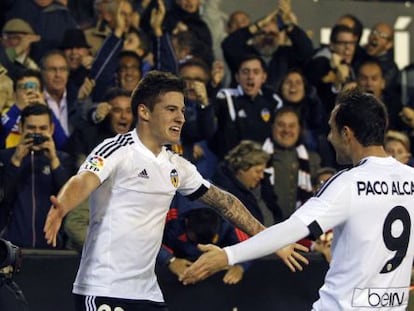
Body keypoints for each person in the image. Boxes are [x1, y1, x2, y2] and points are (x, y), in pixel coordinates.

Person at [43, 70, 307, 311]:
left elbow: (225, 203)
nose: (181, 117)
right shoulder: (117, 149)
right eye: (171, 109)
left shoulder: (177, 166)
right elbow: (84, 180)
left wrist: (272, 239)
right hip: (104, 289)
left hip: (148, 294)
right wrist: (63, 206)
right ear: (145, 112)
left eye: (182, 110)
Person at [182, 87, 414, 311]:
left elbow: (290, 230)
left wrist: (228, 255)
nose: (329, 138)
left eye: (331, 129)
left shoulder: (348, 183)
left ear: (346, 133)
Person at [0, 103, 74, 248]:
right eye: (31, 128)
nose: (37, 133)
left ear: (51, 129)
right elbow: (2, 196)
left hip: (52, 248)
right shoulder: (4, 157)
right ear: (21, 128)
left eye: (42, 128)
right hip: (11, 248)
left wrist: (53, 161)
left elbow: (69, 200)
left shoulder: (63, 159)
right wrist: (16, 161)